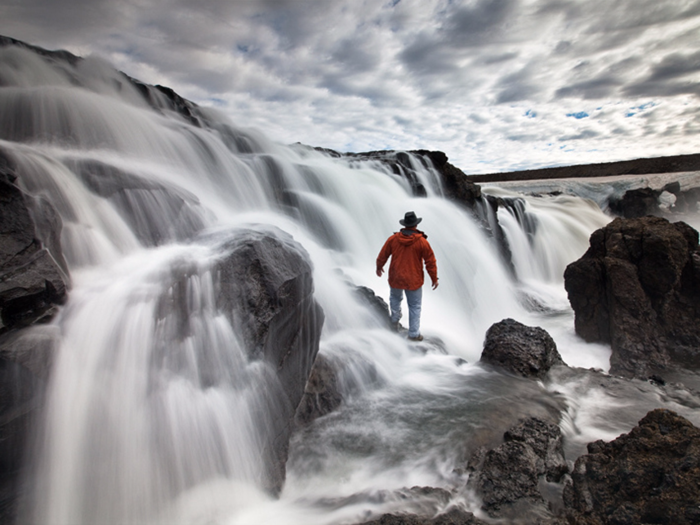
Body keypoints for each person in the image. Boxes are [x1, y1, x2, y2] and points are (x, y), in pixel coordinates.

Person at [376, 211, 438, 341]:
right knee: (414, 306)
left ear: (404, 225)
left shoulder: (393, 239)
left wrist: (379, 266)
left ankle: (394, 321)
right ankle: (414, 334)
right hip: (413, 280)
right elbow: (430, 262)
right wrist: (434, 278)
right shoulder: (422, 242)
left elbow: (383, 255)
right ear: (415, 225)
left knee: (395, 298)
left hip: (396, 276)